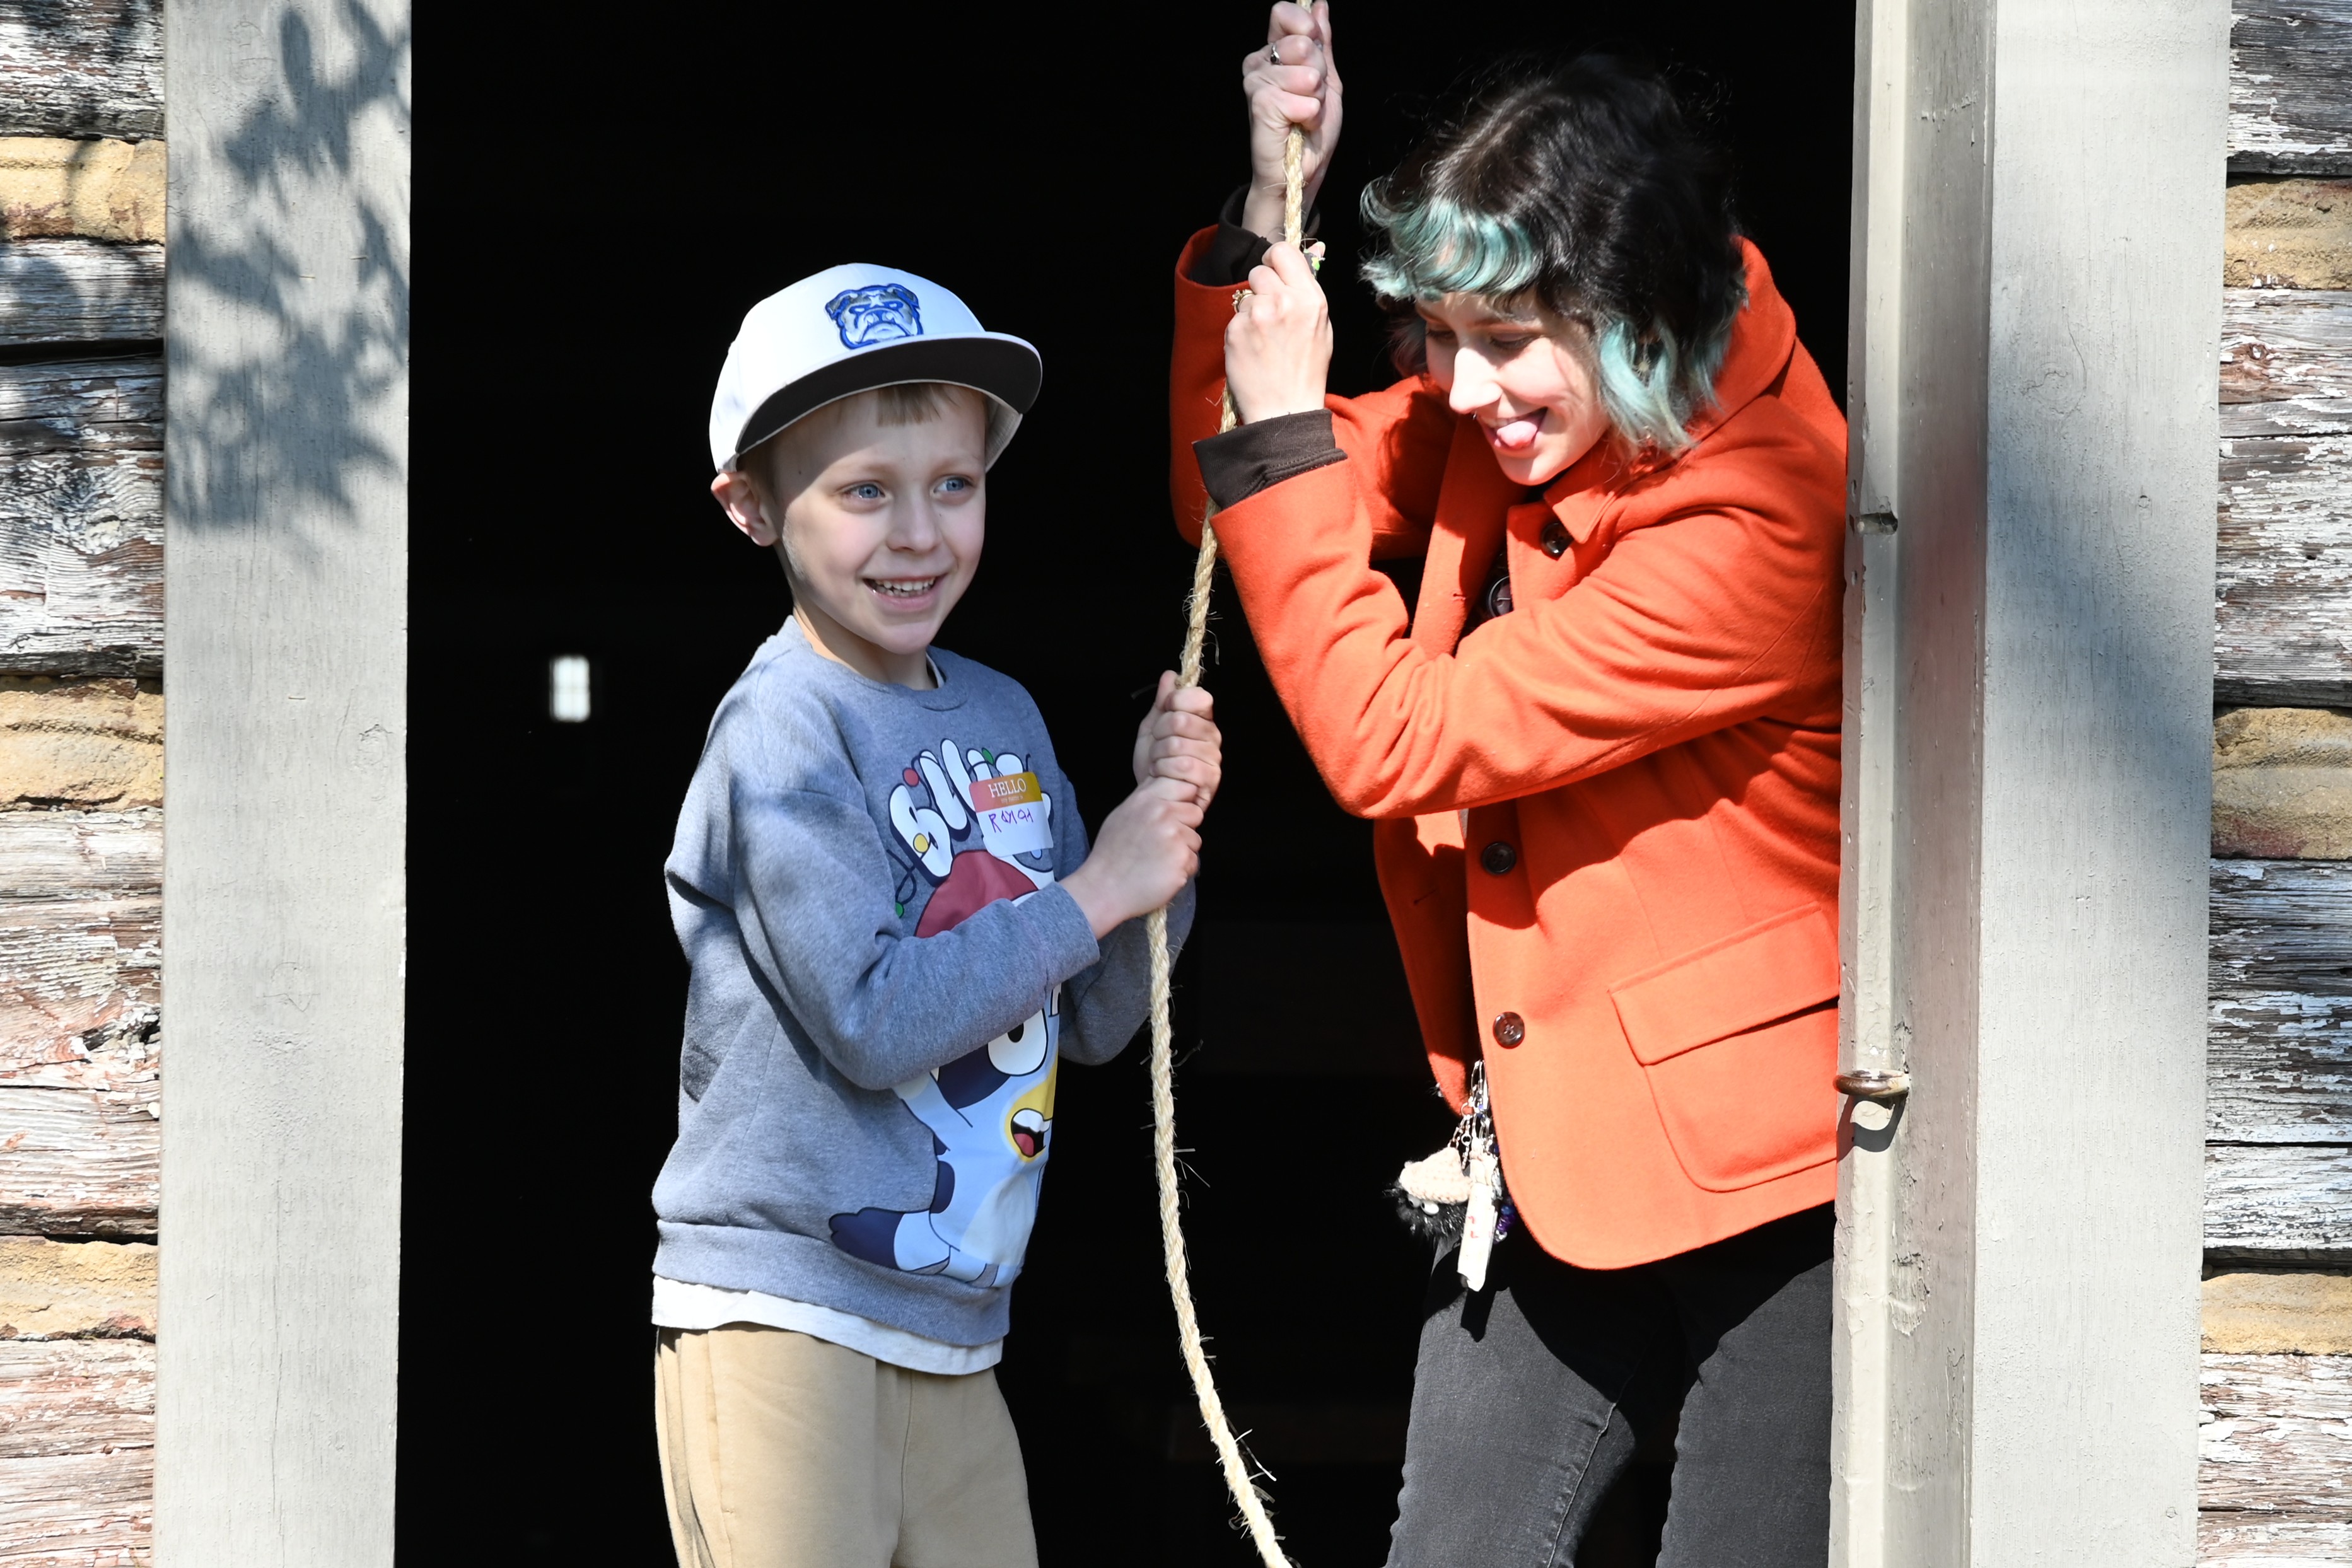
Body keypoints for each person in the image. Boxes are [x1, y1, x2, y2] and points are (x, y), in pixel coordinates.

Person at [1168, 9, 1849, 1564]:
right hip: (1542, 1141)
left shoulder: (1763, 511)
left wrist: (1283, 425)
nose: (1462, 391)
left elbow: (1395, 740)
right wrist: (1270, 217)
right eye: (1442, 344)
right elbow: (1224, 496)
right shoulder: (1531, 401)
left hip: (1771, 1184)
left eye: (1502, 340)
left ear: (1635, 311)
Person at [654, 263, 1221, 1568]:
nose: (917, 532)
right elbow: (870, 1019)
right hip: (780, 1311)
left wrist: (1159, 839)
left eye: (951, 485)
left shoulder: (1002, 716)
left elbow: (1090, 1013)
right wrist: (1100, 884)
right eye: (864, 491)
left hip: (957, 1324)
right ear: (749, 507)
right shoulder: (780, 729)